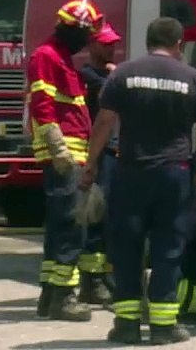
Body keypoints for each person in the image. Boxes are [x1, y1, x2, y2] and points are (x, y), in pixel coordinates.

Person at [82, 17, 196, 345]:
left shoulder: (123, 74)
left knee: (126, 246)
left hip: (131, 173)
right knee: (168, 249)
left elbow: (104, 121)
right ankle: (163, 326)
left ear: (147, 41)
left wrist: (90, 162)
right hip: (175, 174)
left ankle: (126, 325)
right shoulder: (191, 77)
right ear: (179, 45)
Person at [26, 0, 105, 322]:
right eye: (86, 34)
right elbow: (43, 105)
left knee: (60, 226)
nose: (87, 42)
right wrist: (57, 147)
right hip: (65, 154)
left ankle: (49, 296)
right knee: (73, 227)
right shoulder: (47, 56)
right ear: (74, 28)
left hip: (73, 153)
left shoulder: (60, 58)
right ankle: (64, 297)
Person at [76, 22, 123, 306]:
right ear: (92, 45)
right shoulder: (87, 75)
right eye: (105, 43)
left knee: (111, 216)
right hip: (95, 152)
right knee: (95, 215)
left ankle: (106, 275)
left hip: (112, 151)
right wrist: (116, 77)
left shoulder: (106, 73)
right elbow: (109, 96)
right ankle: (91, 281)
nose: (111, 47)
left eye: (113, 42)